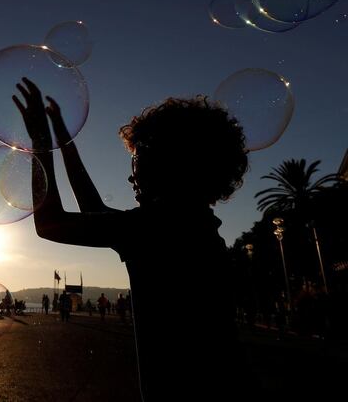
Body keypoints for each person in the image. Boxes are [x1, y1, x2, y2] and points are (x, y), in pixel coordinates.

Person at [15, 79, 251, 401]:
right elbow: (95, 210)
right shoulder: (196, 227)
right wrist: (64, 141)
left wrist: (41, 140)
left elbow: (50, 224)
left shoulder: (156, 228)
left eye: (138, 164)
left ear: (172, 164)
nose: (131, 177)